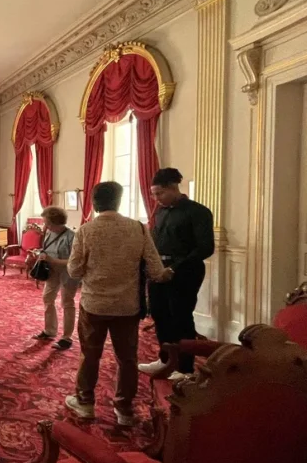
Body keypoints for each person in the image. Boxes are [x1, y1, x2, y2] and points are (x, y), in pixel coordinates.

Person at [65, 181, 169, 427]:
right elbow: (156, 270)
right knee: (127, 358)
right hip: (127, 305)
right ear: (119, 201)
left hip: (94, 304)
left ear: (94, 203)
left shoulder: (86, 231)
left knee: (90, 355)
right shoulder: (138, 228)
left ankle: (85, 402)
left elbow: (74, 270)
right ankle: (124, 408)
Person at [139, 167, 215, 379]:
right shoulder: (161, 212)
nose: (156, 199)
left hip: (185, 272)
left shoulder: (198, 211)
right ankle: (165, 360)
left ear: (173, 188)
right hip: (159, 271)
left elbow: (205, 248)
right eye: (153, 194)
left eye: (159, 193)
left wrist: (174, 267)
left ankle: (184, 368)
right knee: (159, 315)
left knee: (180, 317)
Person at [32, 206, 79, 350]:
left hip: (68, 273)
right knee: (47, 298)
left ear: (57, 222)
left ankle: (66, 338)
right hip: (52, 272)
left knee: (67, 302)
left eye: (47, 223)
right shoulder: (49, 233)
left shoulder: (72, 237)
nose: (45, 226)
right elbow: (47, 250)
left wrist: (52, 260)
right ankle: (50, 330)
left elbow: (74, 261)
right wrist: (41, 254)